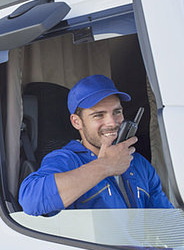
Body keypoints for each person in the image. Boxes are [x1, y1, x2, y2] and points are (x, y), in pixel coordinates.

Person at [19, 74, 173, 216]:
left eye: (117, 112)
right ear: (76, 122)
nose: (112, 123)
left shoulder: (138, 163)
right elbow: (31, 201)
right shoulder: (66, 159)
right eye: (99, 115)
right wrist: (105, 166)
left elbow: (169, 223)